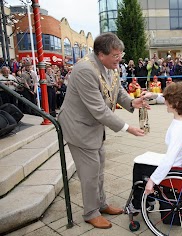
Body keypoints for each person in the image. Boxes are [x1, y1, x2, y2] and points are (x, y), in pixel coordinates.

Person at [57, 32, 149, 229]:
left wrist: (133, 102)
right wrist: (127, 128)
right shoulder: (84, 70)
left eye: (120, 55)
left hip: (94, 127)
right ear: (101, 54)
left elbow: (117, 90)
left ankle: (101, 204)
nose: (119, 59)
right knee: (90, 172)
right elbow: (99, 109)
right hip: (79, 127)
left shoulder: (110, 66)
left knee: (98, 169)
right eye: (116, 56)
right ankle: (91, 212)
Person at [127, 81, 182, 212]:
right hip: (181, 160)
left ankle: (139, 204)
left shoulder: (178, 129)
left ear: (176, 104)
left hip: (174, 165)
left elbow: (169, 160)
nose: (165, 101)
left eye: (167, 99)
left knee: (139, 166)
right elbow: (175, 97)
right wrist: (153, 95)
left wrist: (152, 181)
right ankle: (148, 199)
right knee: (145, 159)